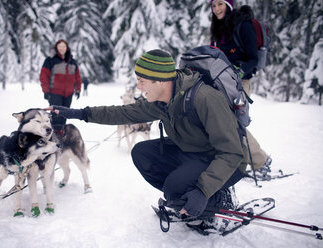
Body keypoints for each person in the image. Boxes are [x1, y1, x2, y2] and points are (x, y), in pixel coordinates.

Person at [45, 49, 247, 219]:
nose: (139, 88)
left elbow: (232, 153)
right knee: (142, 153)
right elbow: (122, 113)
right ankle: (188, 198)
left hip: (225, 161)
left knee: (174, 188)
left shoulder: (205, 99)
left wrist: (203, 190)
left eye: (142, 81)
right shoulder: (161, 101)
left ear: (160, 80)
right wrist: (80, 114)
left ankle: (216, 199)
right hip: (193, 151)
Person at [209, 0, 272, 176]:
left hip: (240, 84)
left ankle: (261, 162)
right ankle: (239, 161)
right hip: (221, 82)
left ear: (229, 5)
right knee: (222, 122)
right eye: (214, 6)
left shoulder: (243, 25)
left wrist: (239, 69)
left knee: (235, 123)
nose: (217, 9)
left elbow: (253, 59)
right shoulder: (218, 28)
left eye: (220, 4)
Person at [39, 39, 82, 136]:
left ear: (67, 48)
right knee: (55, 115)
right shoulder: (50, 60)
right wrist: (46, 91)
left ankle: (62, 134)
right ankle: (53, 135)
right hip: (55, 93)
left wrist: (78, 89)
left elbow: (78, 77)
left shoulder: (72, 62)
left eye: (64, 46)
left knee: (65, 114)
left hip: (69, 93)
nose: (62, 48)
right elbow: (44, 76)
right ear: (56, 48)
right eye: (60, 46)